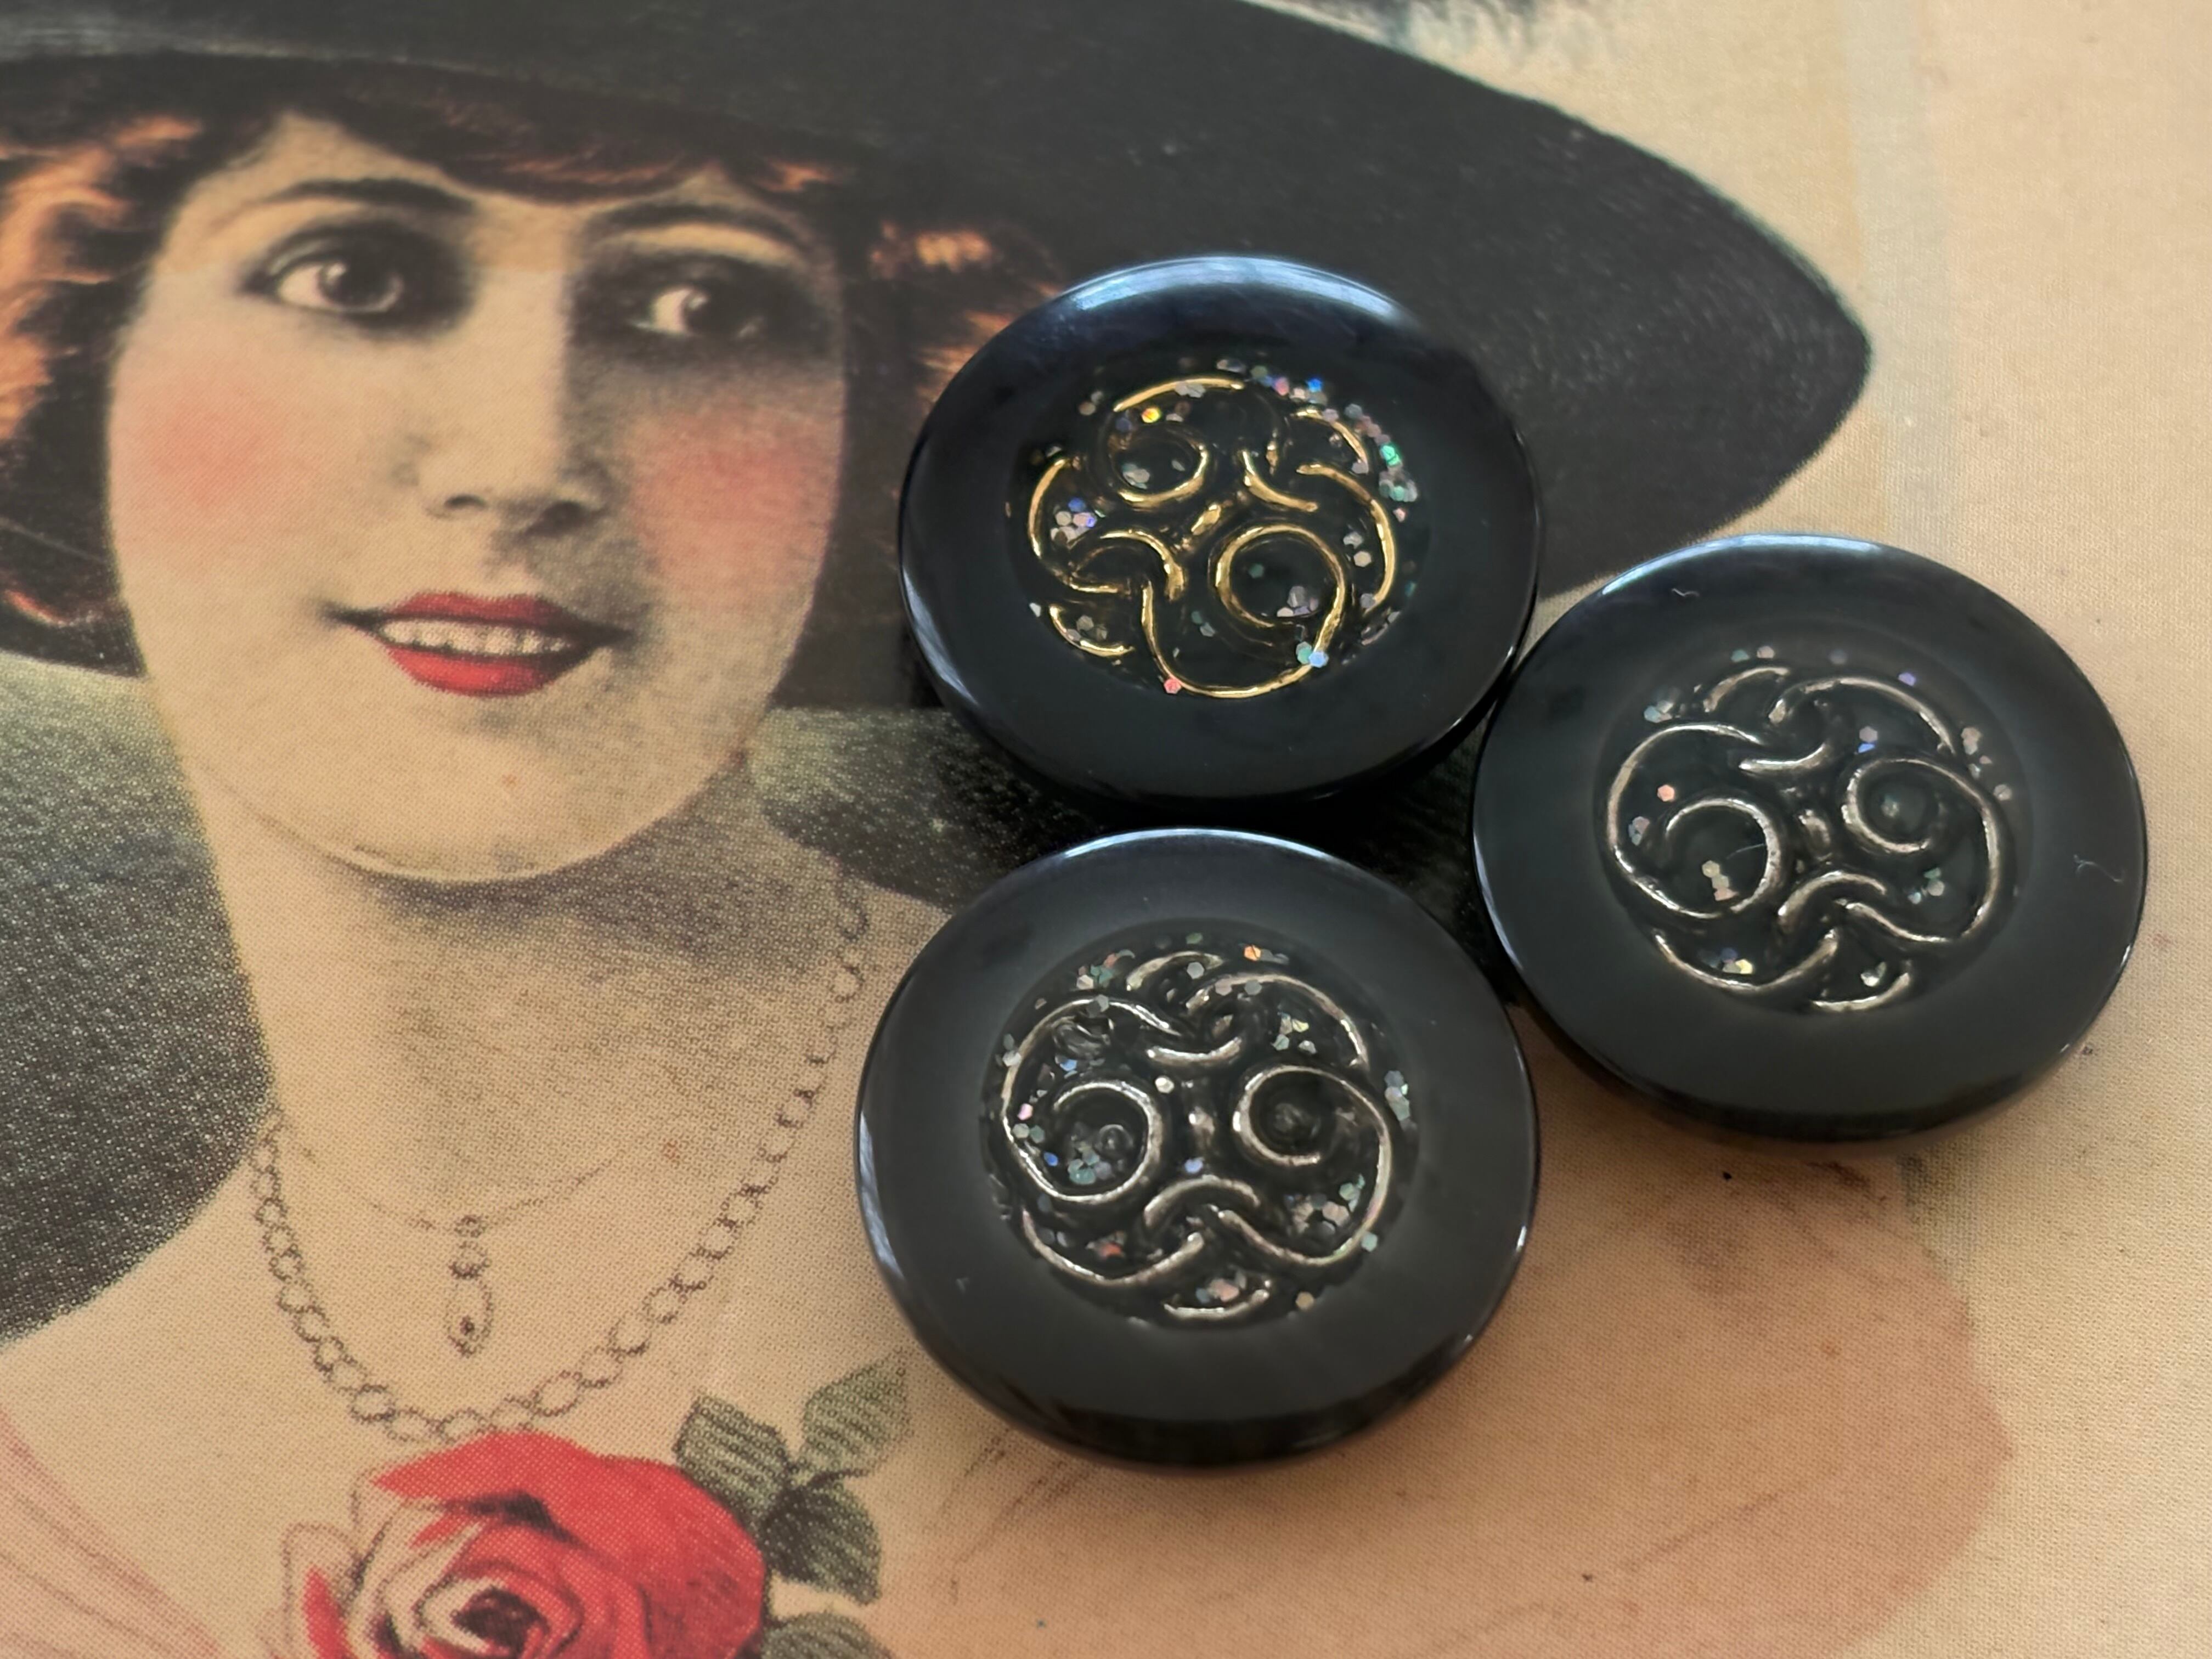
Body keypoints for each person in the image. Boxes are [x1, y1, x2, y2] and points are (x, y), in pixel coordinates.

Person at [0, 8, 2001, 1659]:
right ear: (67, 359)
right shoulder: (46, 1485)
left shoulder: (1399, 1188)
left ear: (882, 425)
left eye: (702, 303)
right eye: (356, 276)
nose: (524, 460)